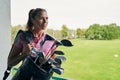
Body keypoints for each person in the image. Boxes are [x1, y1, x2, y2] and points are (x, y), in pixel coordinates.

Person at [7, 8, 54, 80]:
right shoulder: (23, 37)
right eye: (41, 18)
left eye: (47, 18)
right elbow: (10, 62)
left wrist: (47, 62)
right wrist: (25, 54)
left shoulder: (51, 41)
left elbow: (54, 65)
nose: (45, 21)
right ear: (32, 20)